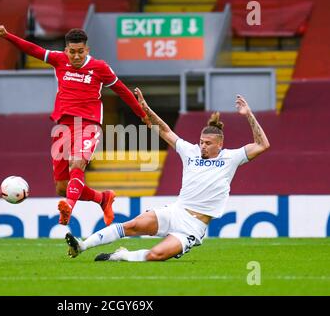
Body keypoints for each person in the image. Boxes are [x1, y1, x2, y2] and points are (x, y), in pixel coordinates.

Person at [65, 89, 270, 261]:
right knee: (132, 225)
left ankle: (122, 256)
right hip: (176, 211)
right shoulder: (190, 151)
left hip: (194, 226)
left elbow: (262, 145)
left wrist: (248, 114)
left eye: (208, 144)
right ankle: (82, 246)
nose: (202, 146)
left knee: (157, 255)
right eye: (201, 142)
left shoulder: (231, 158)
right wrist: (146, 109)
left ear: (220, 144)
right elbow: (164, 130)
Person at [0, 25, 150, 227]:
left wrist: (141, 113)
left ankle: (68, 207)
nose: (76, 56)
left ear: (87, 50)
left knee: (77, 163)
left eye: (80, 52)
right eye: (72, 52)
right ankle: (103, 198)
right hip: (62, 127)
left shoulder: (100, 67)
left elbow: (122, 90)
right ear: (66, 50)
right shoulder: (59, 60)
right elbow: (33, 50)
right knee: (61, 186)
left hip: (88, 124)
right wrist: (7, 35)